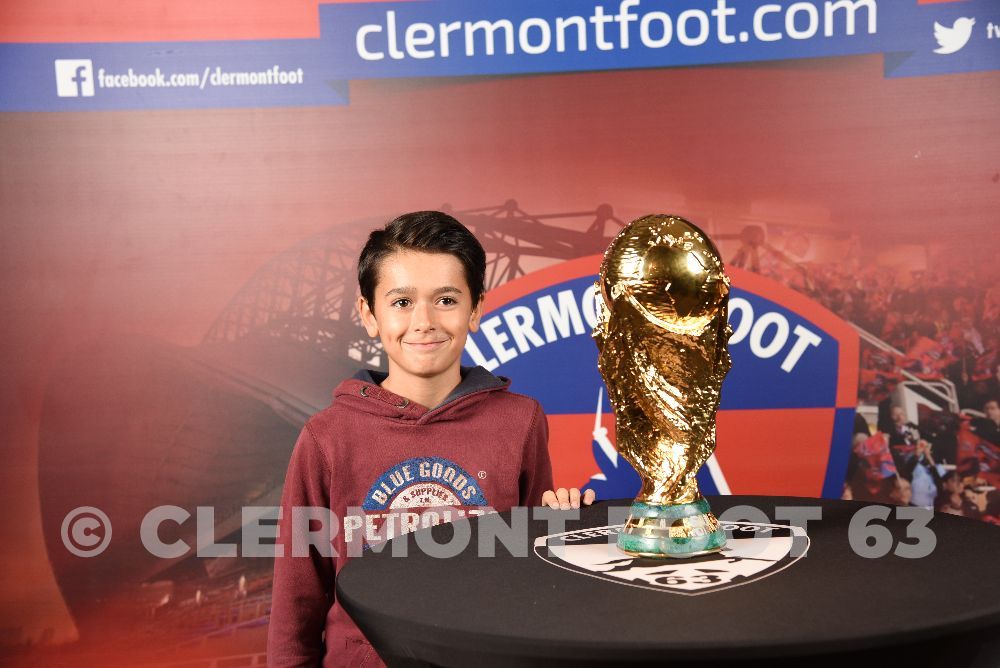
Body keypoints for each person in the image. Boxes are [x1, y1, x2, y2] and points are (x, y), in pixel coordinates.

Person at [267, 211, 594, 668]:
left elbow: (530, 578)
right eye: (401, 302)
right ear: (369, 314)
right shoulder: (327, 437)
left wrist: (562, 533)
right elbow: (294, 611)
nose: (424, 321)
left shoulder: (520, 421)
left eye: (446, 299)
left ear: (475, 310)